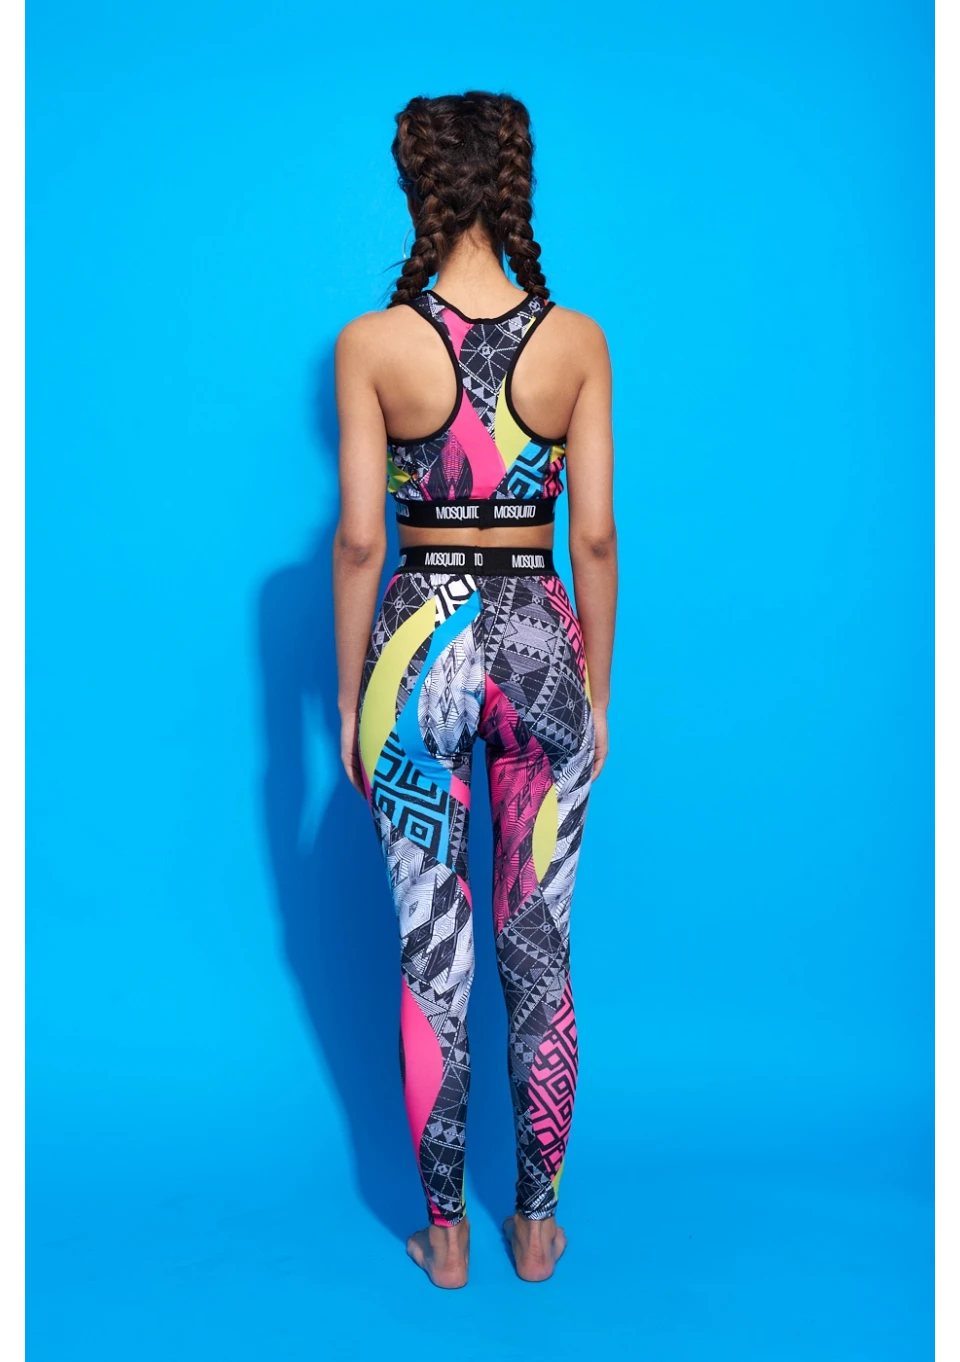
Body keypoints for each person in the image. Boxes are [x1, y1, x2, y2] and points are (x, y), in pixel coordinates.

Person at [333, 91, 616, 1288]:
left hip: (418, 647)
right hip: (540, 641)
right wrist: (596, 691)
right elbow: (592, 537)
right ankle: (537, 1230)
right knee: (538, 946)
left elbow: (360, 540)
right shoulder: (578, 342)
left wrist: (350, 701)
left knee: (430, 955)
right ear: (515, 187)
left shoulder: (371, 346)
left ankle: (444, 1236)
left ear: (416, 188)